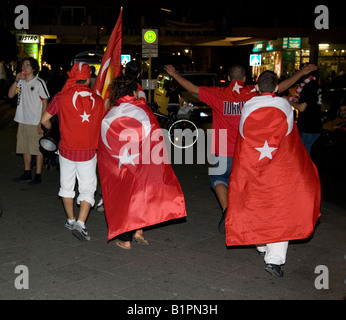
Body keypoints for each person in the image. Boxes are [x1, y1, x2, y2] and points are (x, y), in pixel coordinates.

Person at [164, 63, 317, 232]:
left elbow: (191, 87)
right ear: (244, 79)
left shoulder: (218, 93)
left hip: (221, 147)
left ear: (228, 78)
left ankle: (226, 209)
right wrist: (302, 72)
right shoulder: (252, 92)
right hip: (245, 149)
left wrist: (174, 74)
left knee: (218, 180)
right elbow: (278, 87)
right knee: (244, 184)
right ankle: (246, 213)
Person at [225, 71, 321, 277]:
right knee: (280, 210)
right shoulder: (285, 106)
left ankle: (260, 244)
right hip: (279, 170)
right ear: (277, 87)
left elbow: (244, 138)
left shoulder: (247, 107)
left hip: (253, 167)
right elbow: (291, 136)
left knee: (255, 204)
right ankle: (274, 259)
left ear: (257, 88)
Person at [97, 75, 187, 249]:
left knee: (123, 195)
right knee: (139, 192)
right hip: (141, 161)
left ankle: (125, 239)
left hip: (121, 164)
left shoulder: (111, 114)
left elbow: (104, 143)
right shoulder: (144, 110)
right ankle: (139, 230)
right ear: (134, 91)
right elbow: (155, 137)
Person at [40, 62, 105, 241]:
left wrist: (52, 130)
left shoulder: (62, 96)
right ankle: (81, 223)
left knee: (66, 187)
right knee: (87, 188)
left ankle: (70, 219)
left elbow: (44, 120)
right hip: (88, 151)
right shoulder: (98, 100)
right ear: (89, 78)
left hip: (66, 150)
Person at [8, 57, 50, 185]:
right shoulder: (20, 82)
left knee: (37, 149)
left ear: (33, 68)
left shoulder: (39, 82)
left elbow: (45, 103)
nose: (24, 67)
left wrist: (41, 122)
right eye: (23, 65)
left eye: (27, 65)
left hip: (34, 121)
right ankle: (27, 172)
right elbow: (10, 95)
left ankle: (37, 175)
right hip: (22, 120)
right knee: (25, 148)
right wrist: (16, 80)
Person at [288, 64, 322, 155]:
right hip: (314, 126)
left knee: (303, 156)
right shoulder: (316, 85)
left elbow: (302, 108)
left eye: (303, 69)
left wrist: (289, 101)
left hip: (308, 128)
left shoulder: (308, 86)